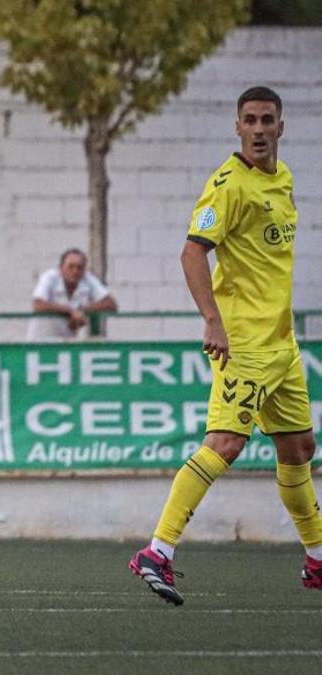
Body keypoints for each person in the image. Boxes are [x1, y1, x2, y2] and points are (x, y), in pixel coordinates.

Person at [130, 86, 318, 605]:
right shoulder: (228, 185)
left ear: (281, 127)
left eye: (267, 120)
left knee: (300, 448)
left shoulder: (283, 179)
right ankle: (157, 551)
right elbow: (192, 253)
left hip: (282, 345)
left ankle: (318, 559)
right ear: (237, 128)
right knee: (226, 444)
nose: (258, 129)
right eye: (250, 120)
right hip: (245, 347)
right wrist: (212, 320)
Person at [27, 248, 117, 339]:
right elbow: (38, 305)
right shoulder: (49, 277)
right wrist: (70, 311)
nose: (75, 271)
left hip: (67, 343)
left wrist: (82, 311)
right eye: (71, 266)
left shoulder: (87, 278)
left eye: (79, 267)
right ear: (60, 268)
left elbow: (111, 304)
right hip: (40, 341)